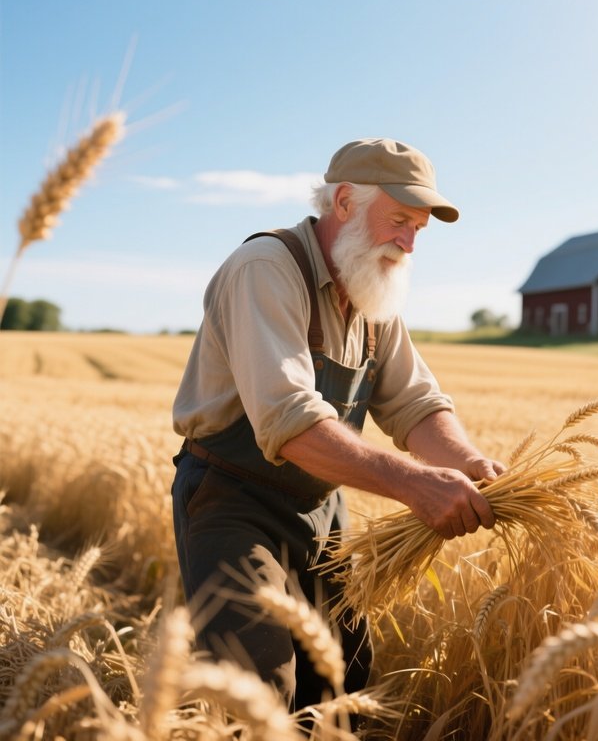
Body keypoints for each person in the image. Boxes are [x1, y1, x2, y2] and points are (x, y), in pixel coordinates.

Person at [171, 137, 504, 712]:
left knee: (342, 684)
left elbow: (416, 404)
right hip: (233, 502)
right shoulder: (266, 269)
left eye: (419, 228)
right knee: (259, 688)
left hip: (321, 508)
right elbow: (290, 421)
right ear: (344, 202)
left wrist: (468, 463)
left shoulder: (373, 293)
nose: (408, 242)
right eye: (399, 220)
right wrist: (415, 484)